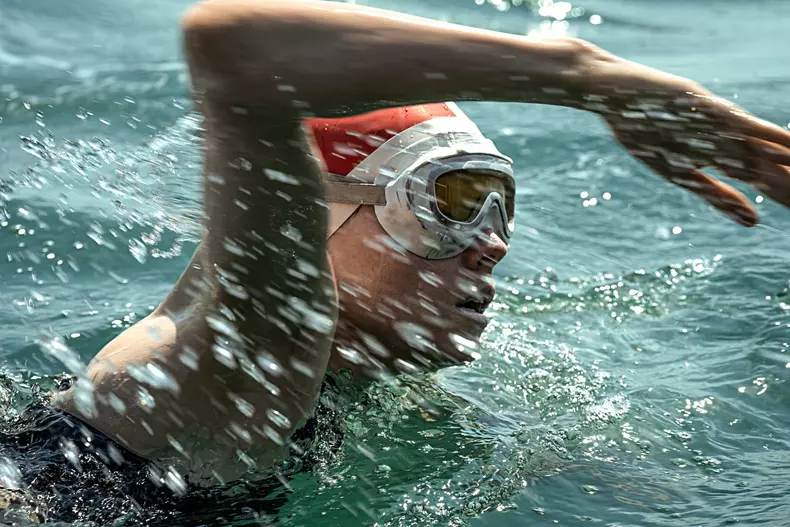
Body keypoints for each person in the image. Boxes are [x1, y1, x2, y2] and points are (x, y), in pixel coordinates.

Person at [48, 0, 790, 492]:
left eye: (502, 205)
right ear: (320, 218)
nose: (492, 245)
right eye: (454, 200)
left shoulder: (347, 374)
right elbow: (237, 47)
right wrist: (587, 77)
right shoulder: (256, 348)